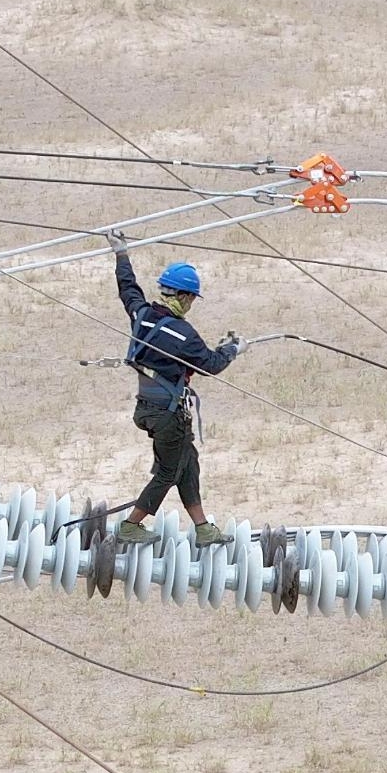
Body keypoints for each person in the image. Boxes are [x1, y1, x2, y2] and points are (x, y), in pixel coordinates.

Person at [106, 229, 247, 547]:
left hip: (147, 408)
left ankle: (203, 528)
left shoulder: (141, 315)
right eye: (193, 298)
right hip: (169, 415)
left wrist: (121, 253)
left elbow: (128, 288)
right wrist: (234, 349)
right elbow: (210, 364)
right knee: (169, 472)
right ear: (184, 297)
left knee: (188, 462)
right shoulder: (184, 334)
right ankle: (130, 525)